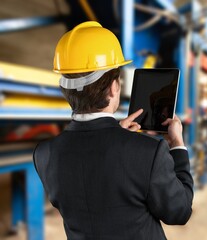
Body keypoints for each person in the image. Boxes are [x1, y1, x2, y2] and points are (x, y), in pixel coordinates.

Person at [33, 21, 193, 240]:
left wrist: (115, 135)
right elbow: (180, 211)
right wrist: (177, 146)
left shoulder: (44, 154)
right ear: (113, 87)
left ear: (65, 89)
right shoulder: (149, 152)